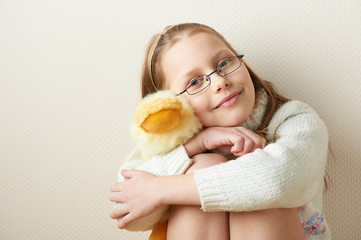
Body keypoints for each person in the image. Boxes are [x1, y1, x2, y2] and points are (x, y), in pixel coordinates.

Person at [109, 23, 331, 240]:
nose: (219, 81)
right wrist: (195, 146)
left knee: (256, 193)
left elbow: (276, 182)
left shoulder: (295, 120)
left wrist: (160, 189)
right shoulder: (174, 146)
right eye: (195, 82)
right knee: (203, 165)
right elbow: (124, 204)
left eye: (224, 63)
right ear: (170, 104)